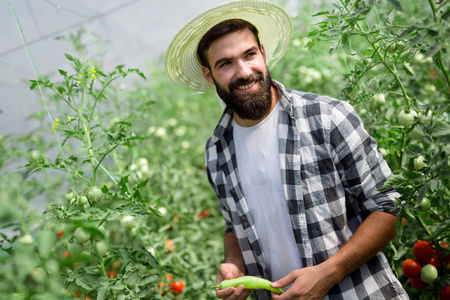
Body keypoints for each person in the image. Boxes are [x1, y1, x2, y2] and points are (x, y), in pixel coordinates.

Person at [165, 1, 409, 299]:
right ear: (208, 75)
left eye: (249, 54)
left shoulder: (327, 117)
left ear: (263, 53)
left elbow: (389, 207)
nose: (243, 71)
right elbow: (234, 225)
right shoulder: (217, 151)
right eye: (225, 63)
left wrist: (329, 272)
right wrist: (234, 265)